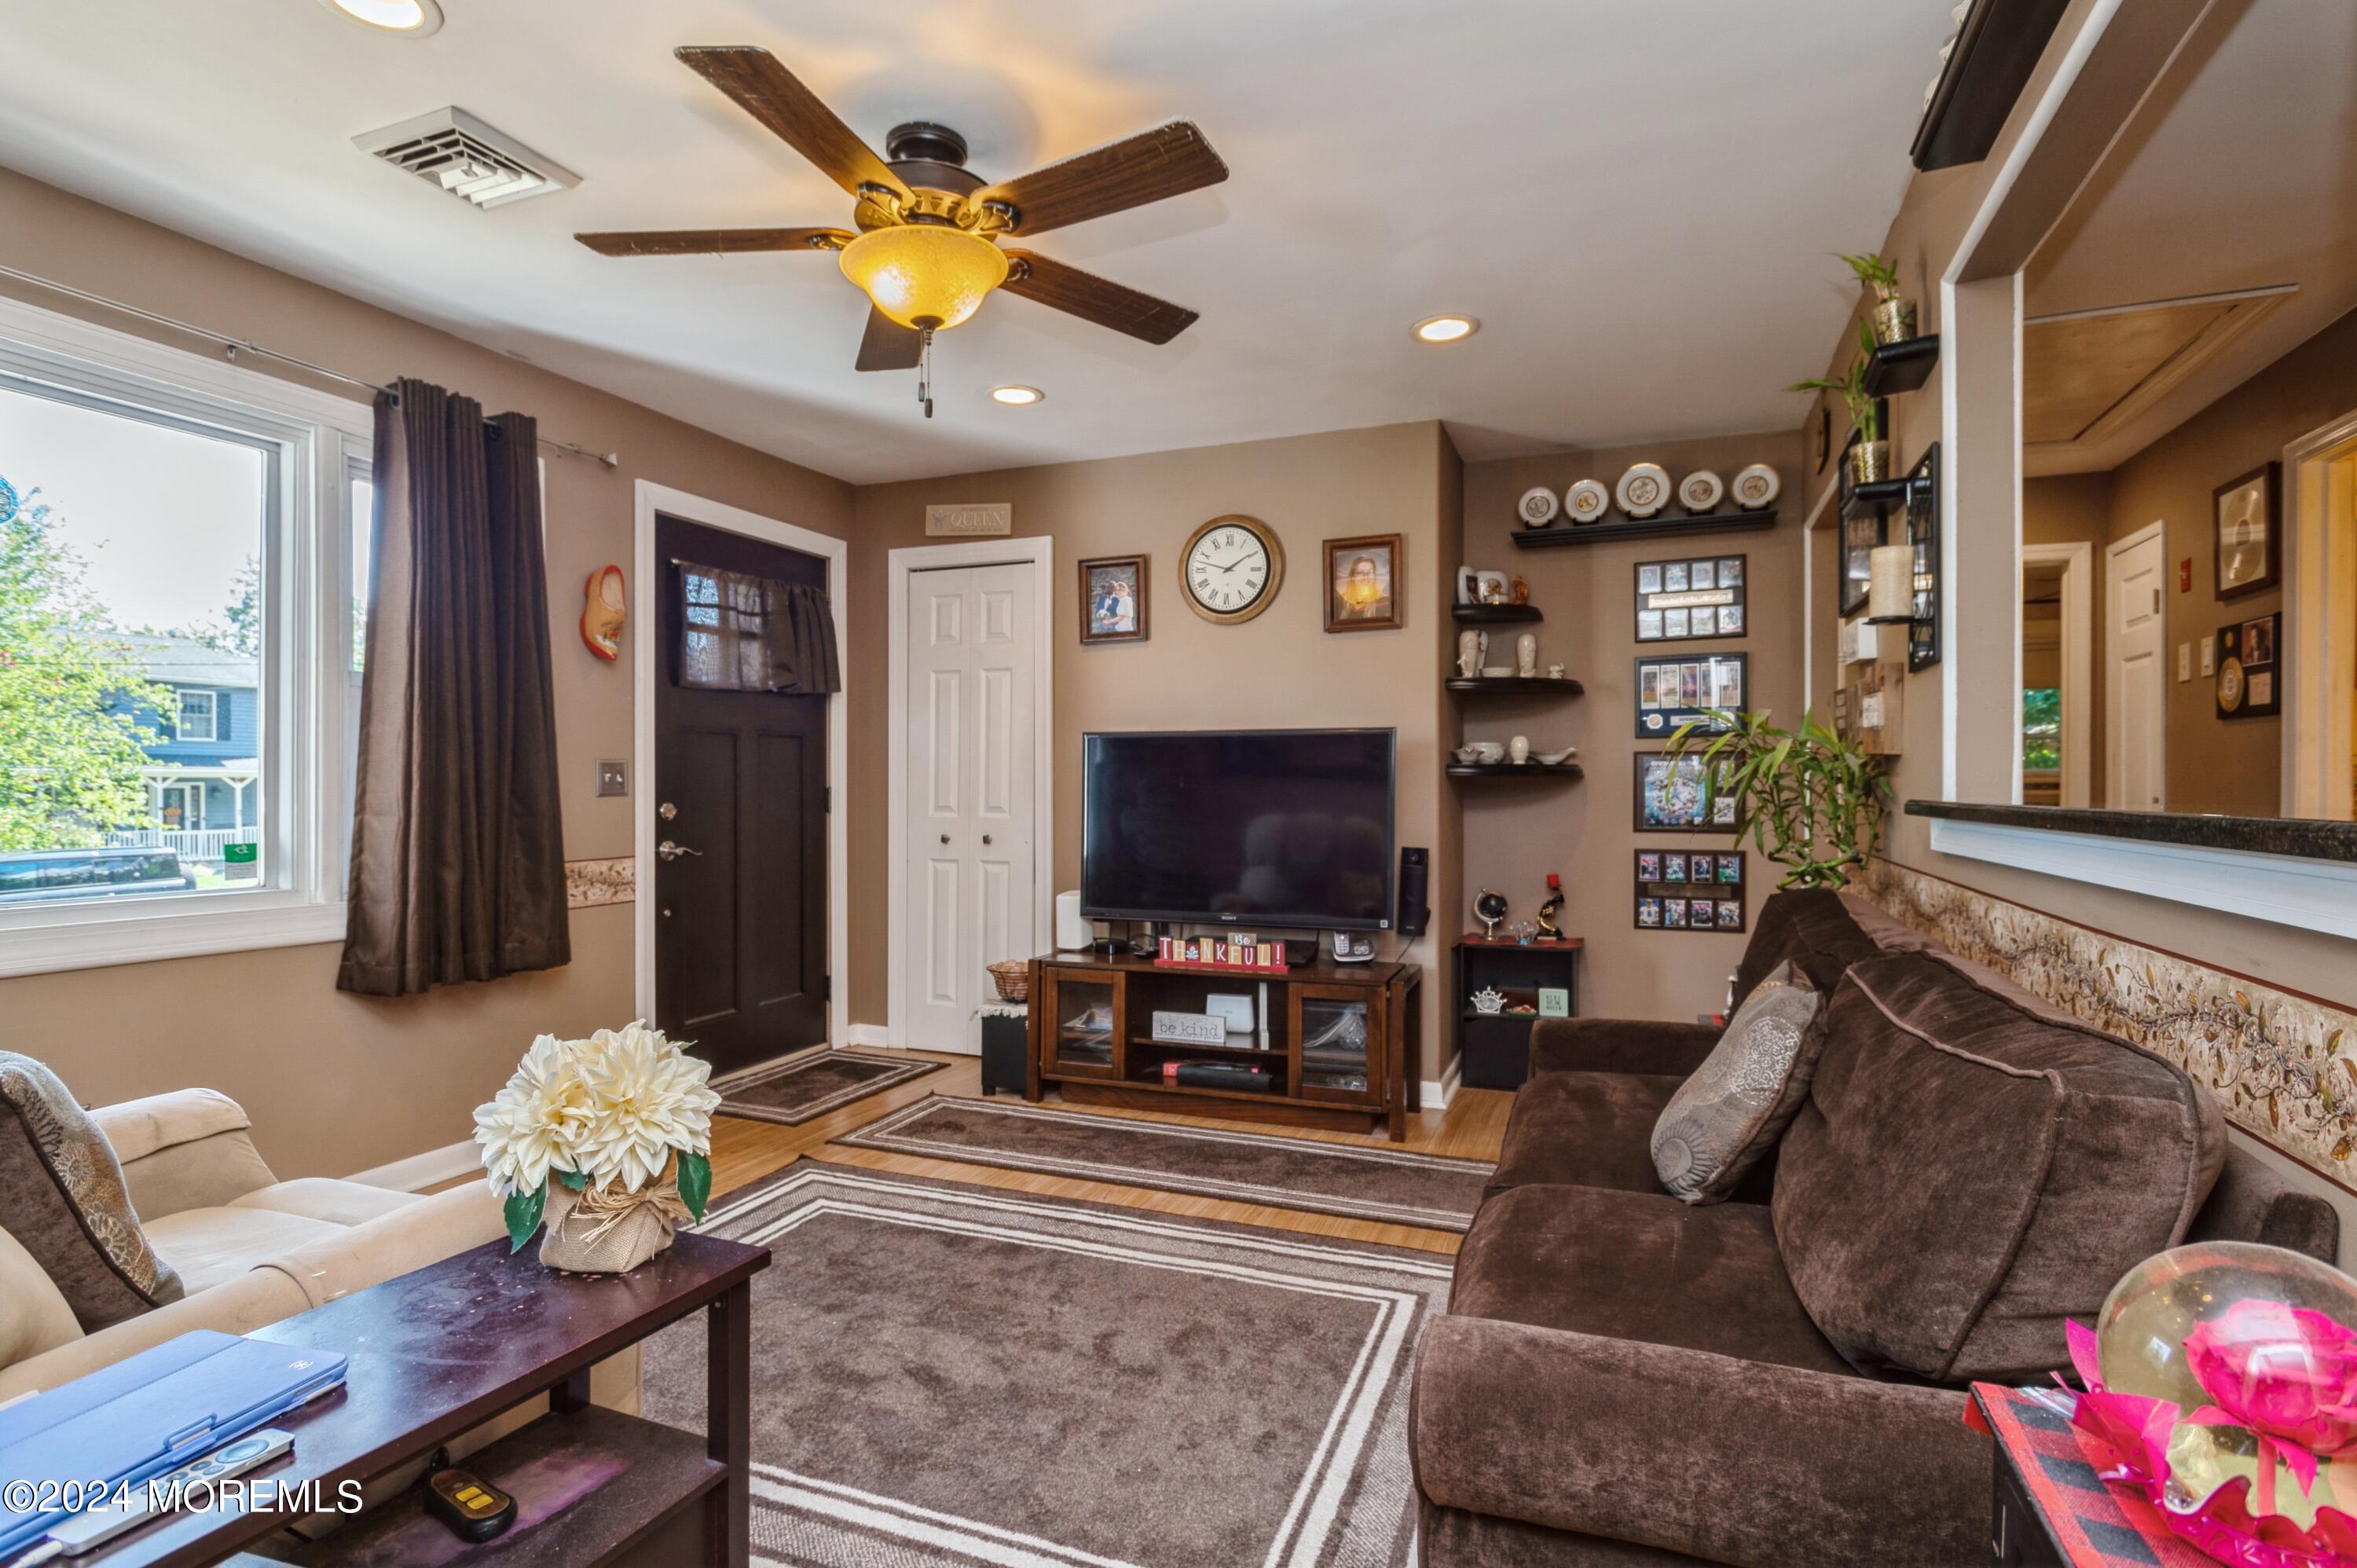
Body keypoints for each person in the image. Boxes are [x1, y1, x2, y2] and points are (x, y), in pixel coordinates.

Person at [1335, 554, 1391, 622]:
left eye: (1370, 572)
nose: (1366, 576)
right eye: (1360, 572)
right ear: (1352, 576)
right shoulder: (1339, 602)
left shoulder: (1386, 603)